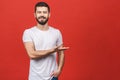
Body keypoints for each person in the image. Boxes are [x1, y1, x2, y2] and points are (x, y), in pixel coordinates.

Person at [22, 2, 69, 80]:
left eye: (44, 12)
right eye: (39, 12)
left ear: (49, 14)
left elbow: (61, 52)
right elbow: (32, 54)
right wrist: (52, 50)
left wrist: (59, 69)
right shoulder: (28, 32)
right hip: (35, 77)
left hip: (52, 77)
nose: (42, 15)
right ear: (35, 14)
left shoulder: (56, 32)